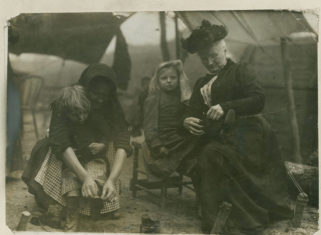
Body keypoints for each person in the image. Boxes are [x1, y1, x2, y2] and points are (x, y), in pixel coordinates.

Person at [182, 20, 293, 234]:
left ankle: (240, 219)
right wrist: (186, 119)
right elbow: (192, 110)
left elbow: (258, 99)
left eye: (214, 56)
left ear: (225, 50)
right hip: (219, 136)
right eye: (205, 59)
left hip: (248, 133)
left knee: (212, 155)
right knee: (203, 153)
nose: (210, 62)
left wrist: (226, 106)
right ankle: (217, 213)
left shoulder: (240, 72)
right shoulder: (202, 83)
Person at [22, 63, 131, 231]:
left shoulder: (111, 105)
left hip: (94, 154)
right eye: (95, 93)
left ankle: (100, 204)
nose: (101, 99)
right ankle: (59, 205)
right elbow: (60, 141)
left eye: (105, 95)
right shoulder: (67, 101)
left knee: (100, 179)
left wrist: (112, 179)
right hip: (68, 154)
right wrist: (84, 177)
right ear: (85, 88)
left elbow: (122, 140)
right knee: (68, 182)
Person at [143, 60, 201, 192]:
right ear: (157, 80)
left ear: (178, 78)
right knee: (193, 150)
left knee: (200, 143)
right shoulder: (153, 98)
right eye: (164, 78)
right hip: (165, 139)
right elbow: (150, 126)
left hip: (179, 136)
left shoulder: (181, 96)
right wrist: (158, 145)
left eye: (173, 77)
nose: (169, 81)